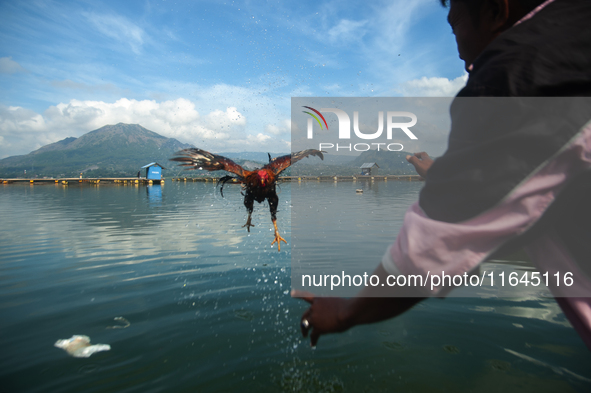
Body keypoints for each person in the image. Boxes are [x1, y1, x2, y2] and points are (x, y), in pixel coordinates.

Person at [294, 0, 591, 349]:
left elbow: (432, 248)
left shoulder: (520, 73)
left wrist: (345, 312)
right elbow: (520, 207)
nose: (464, 60)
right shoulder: (574, 35)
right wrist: (446, 178)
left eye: (455, 26)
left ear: (496, 10)